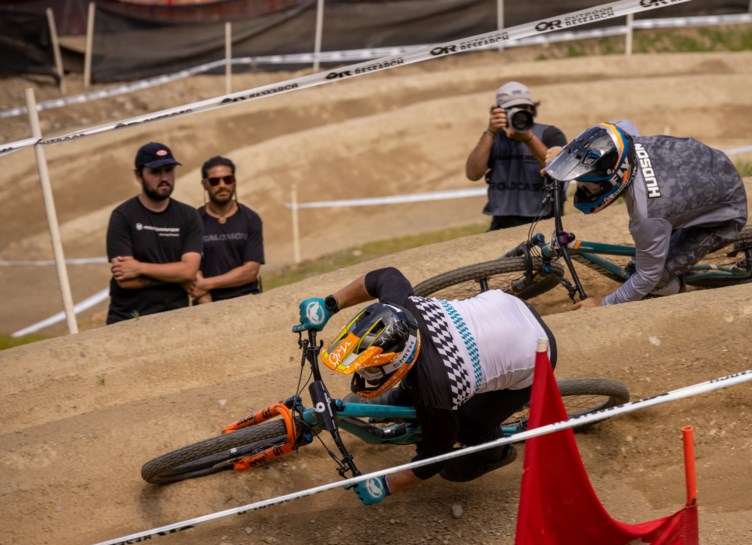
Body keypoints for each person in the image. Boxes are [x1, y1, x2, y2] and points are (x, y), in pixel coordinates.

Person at [292, 267, 557, 506]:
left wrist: (387, 485)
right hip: (508, 308)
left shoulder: (438, 393)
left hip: (537, 352)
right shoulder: (400, 308)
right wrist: (330, 304)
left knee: (467, 426)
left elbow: (435, 457)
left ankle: (494, 454)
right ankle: (405, 397)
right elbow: (383, 276)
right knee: (415, 386)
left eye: (371, 368)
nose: (364, 372)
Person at [543, 120, 748, 308]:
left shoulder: (647, 213)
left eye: (588, 185)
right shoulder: (624, 138)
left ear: (612, 182)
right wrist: (565, 156)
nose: (584, 188)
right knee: (654, 245)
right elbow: (599, 143)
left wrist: (604, 305)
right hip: (710, 163)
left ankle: (672, 293)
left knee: (656, 279)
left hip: (727, 211)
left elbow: (648, 275)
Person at [106, 142, 203, 325]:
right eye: (156, 172)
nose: (164, 177)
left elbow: (189, 272)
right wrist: (176, 276)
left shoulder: (189, 216)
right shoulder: (122, 216)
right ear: (138, 175)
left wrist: (140, 268)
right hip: (128, 319)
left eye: (169, 170)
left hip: (176, 318)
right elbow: (126, 281)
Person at [465, 81, 567, 231]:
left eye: (524, 108)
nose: (519, 113)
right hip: (502, 222)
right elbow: (473, 174)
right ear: (497, 112)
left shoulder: (550, 134)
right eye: (511, 109)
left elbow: (559, 171)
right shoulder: (493, 138)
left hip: (545, 220)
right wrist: (490, 132)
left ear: (532, 109)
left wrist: (528, 139)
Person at [189, 156, 265, 303]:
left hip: (249, 300)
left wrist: (206, 284)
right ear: (205, 184)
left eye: (227, 179)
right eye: (214, 181)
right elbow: (193, 273)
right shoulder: (193, 221)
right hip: (208, 304)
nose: (222, 185)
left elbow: (250, 271)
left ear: (234, 182)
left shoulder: (251, 218)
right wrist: (210, 312)